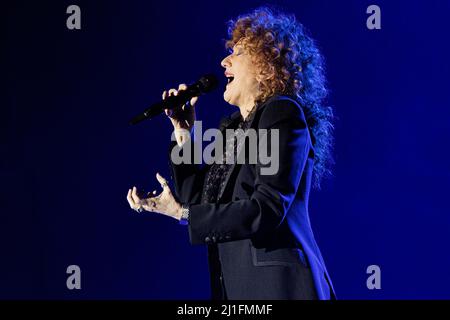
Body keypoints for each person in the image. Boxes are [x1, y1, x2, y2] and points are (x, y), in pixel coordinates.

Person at [126, 7, 336, 300]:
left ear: (267, 63)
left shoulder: (281, 112)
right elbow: (199, 200)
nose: (224, 61)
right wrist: (184, 131)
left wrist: (182, 213)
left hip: (280, 289)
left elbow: (267, 207)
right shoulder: (233, 130)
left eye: (236, 52)